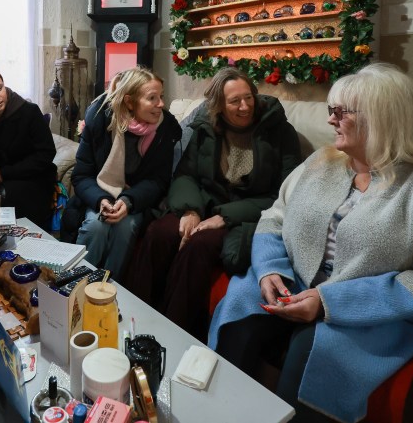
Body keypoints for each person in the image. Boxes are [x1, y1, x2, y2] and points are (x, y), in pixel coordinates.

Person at [209, 63, 413, 423]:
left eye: (340, 112)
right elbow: (273, 219)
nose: (330, 121)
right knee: (240, 312)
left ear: (381, 118)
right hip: (297, 280)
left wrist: (328, 302)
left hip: (379, 307)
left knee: (314, 352)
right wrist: (269, 271)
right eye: (330, 111)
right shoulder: (320, 162)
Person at [126, 67, 301, 340]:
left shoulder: (280, 132)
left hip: (245, 214)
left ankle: (172, 334)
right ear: (219, 104)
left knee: (199, 245)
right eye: (234, 101)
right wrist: (190, 210)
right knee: (160, 232)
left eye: (249, 98)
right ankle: (135, 314)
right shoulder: (207, 128)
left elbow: (284, 194)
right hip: (204, 202)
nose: (244, 107)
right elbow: (186, 174)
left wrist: (225, 217)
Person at [60, 67, 181, 281]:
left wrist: (128, 200)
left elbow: (159, 180)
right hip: (98, 193)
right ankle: (74, 285)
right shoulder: (100, 120)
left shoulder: (165, 128)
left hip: (136, 200)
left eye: (161, 97)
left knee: (126, 226)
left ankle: (108, 288)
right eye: (152, 98)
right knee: (96, 226)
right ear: (130, 102)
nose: (161, 104)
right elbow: (81, 174)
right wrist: (101, 200)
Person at [0, 65, 57, 231]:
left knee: (11, 196)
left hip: (31, 175)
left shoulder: (29, 112)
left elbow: (46, 154)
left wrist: (5, 174)